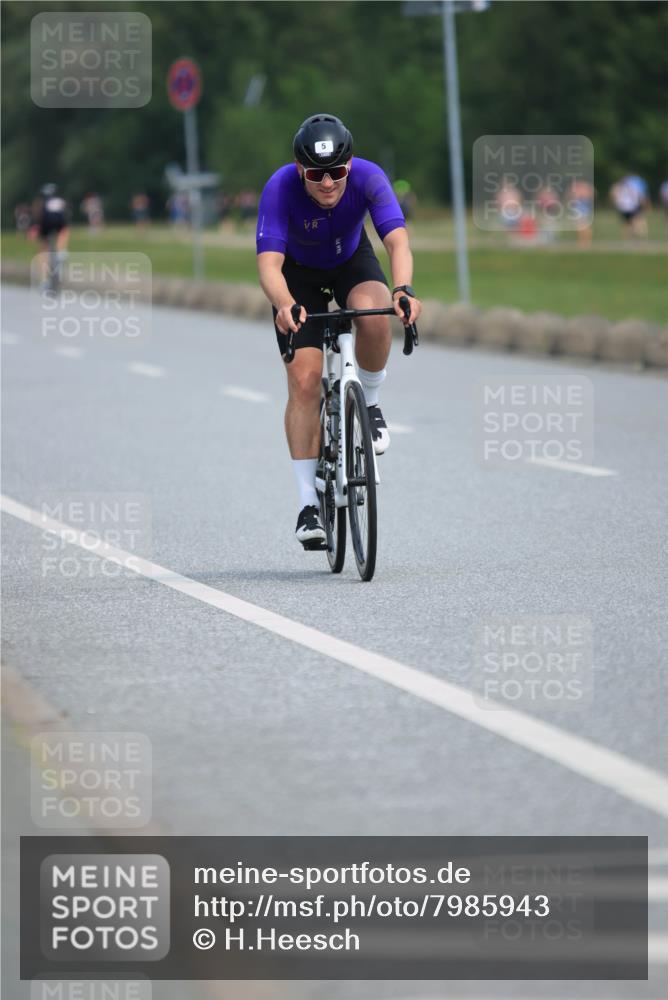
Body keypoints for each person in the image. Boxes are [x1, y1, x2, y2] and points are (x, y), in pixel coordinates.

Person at [256, 113, 421, 548]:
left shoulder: (369, 177)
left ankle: (370, 401)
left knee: (373, 311)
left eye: (337, 173)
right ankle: (308, 502)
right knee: (306, 383)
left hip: (350, 260)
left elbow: (397, 241)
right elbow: (269, 265)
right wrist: (284, 303)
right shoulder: (279, 188)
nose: (328, 183)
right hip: (298, 276)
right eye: (316, 174)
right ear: (299, 170)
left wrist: (403, 289)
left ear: (350, 165)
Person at [34, 183, 70, 286]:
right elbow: (66, 215)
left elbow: (38, 216)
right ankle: (61, 250)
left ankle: (44, 280)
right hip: (59, 222)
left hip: (45, 224)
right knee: (64, 231)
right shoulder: (60, 201)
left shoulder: (40, 202)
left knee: (43, 250)